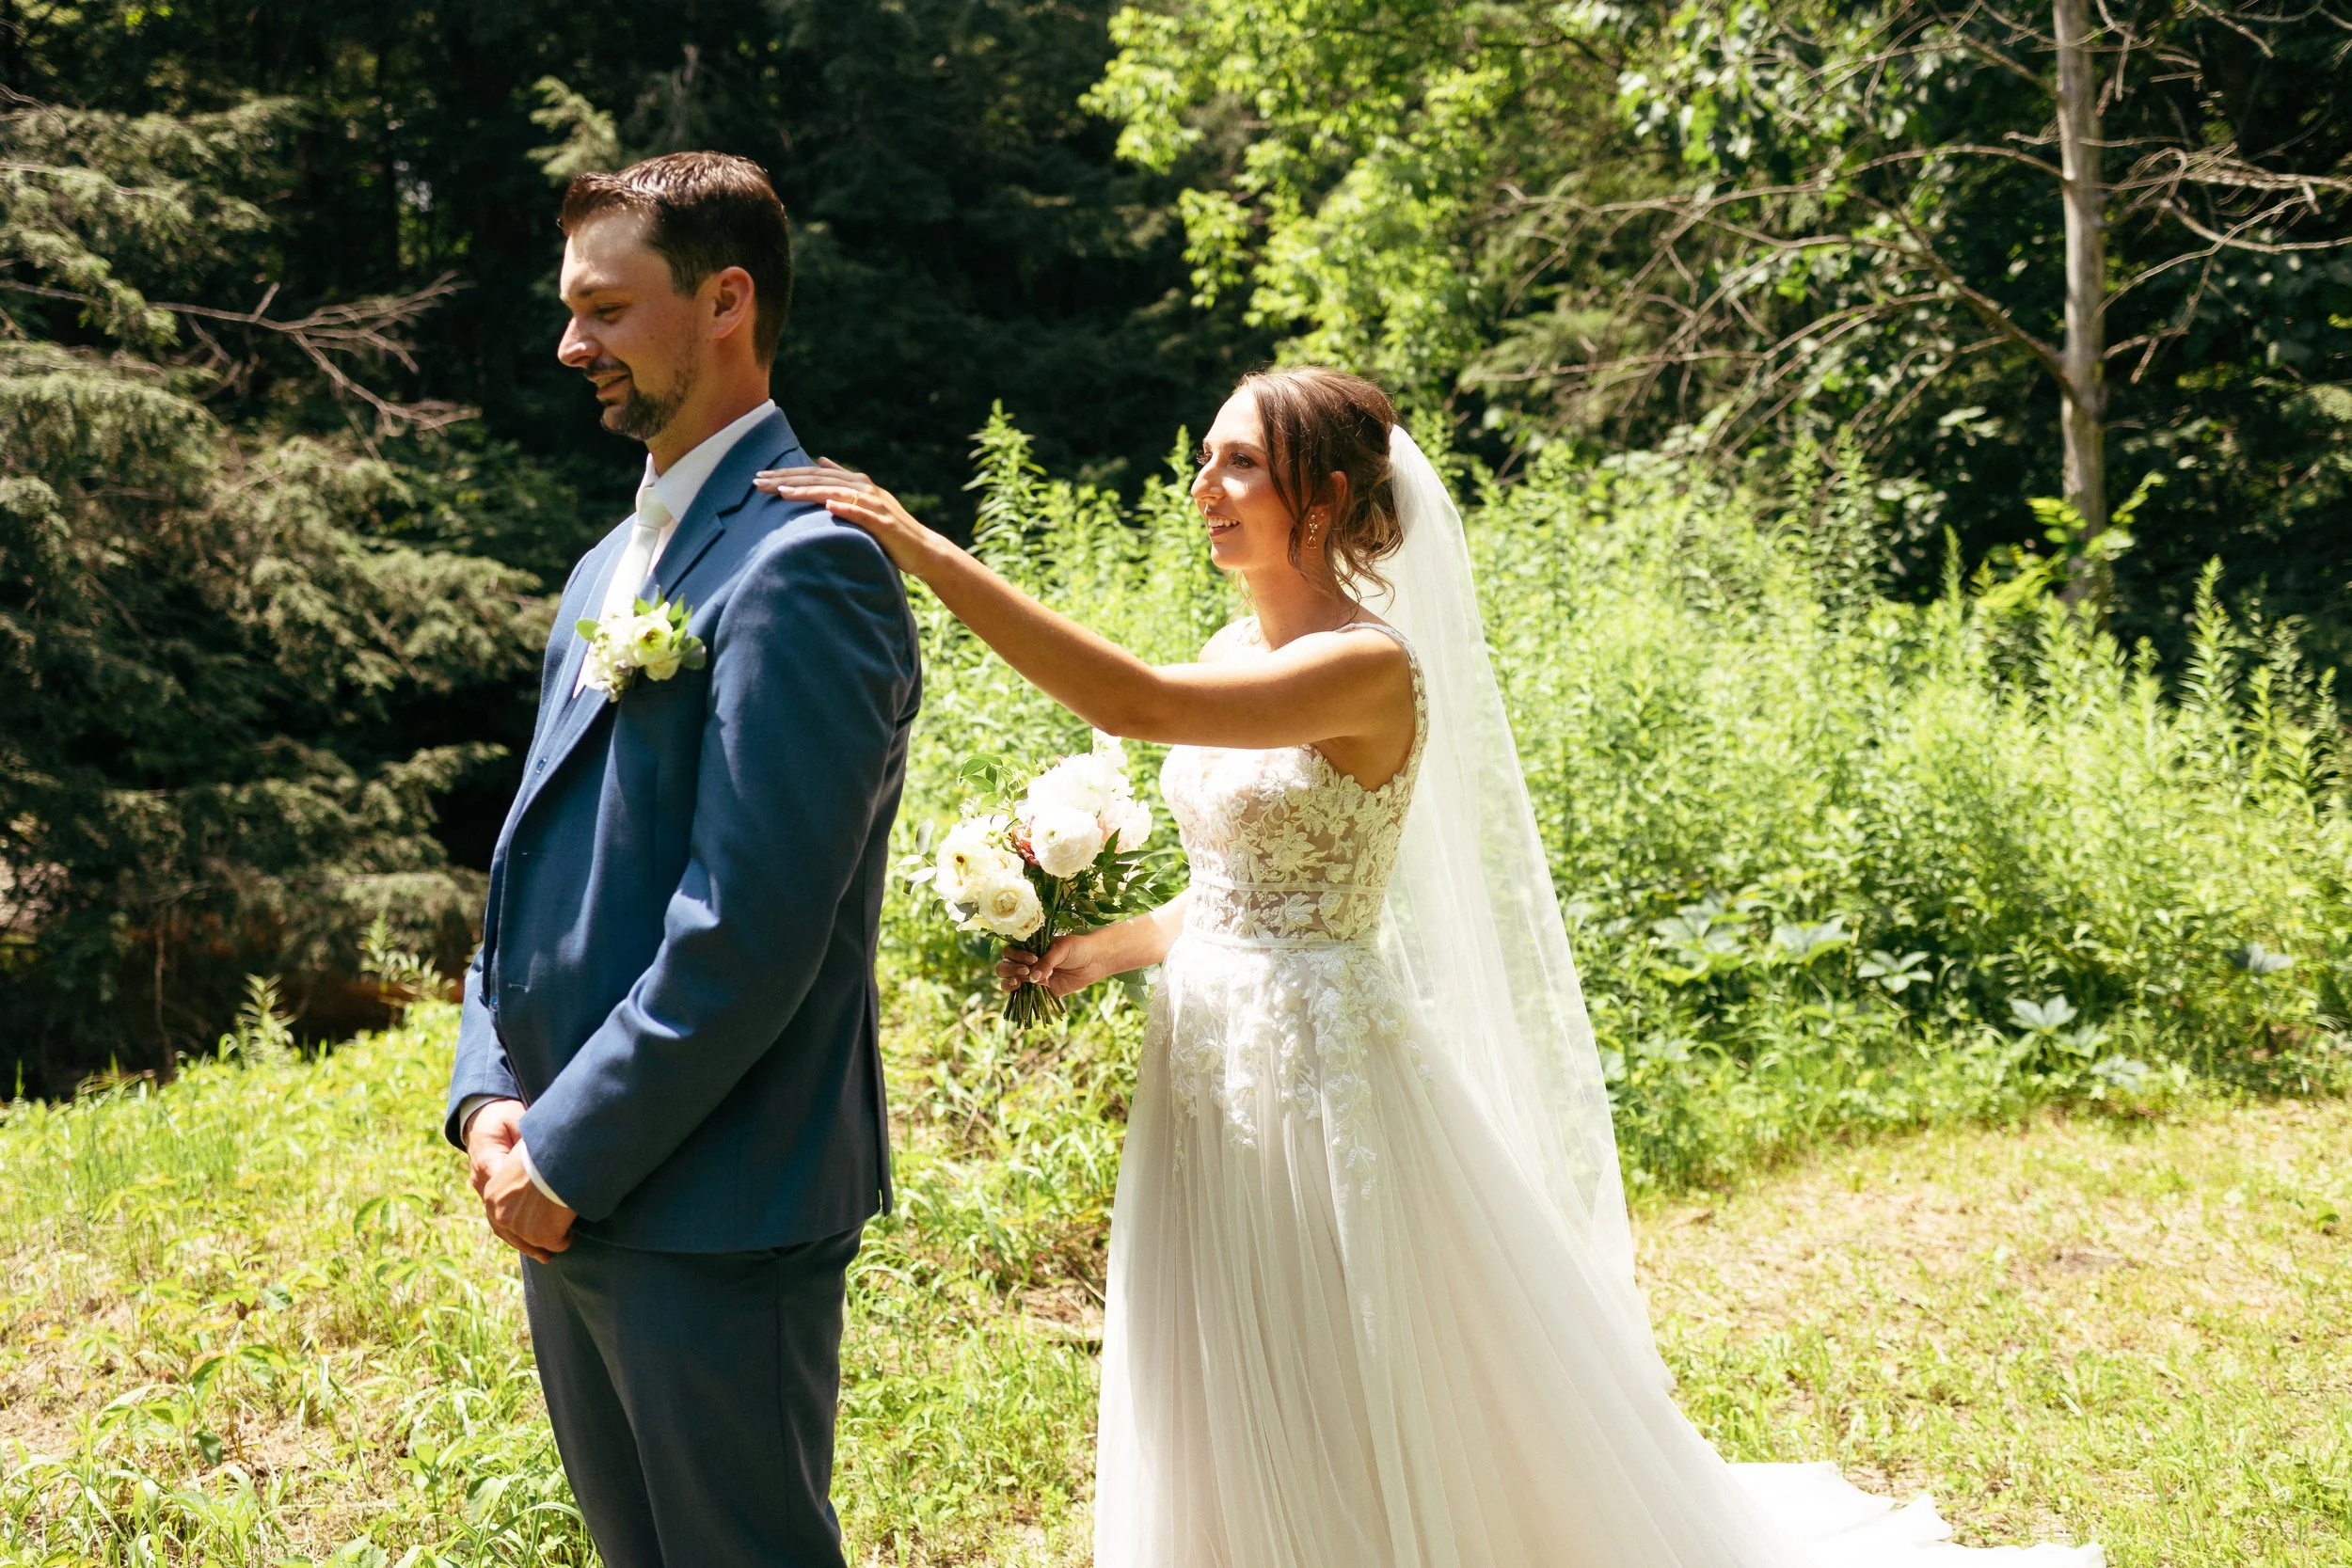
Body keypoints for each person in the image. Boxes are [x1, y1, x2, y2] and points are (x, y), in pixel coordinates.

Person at [759, 366, 2103, 1566]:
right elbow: (1239, 889)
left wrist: (924, 545)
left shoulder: (1366, 666)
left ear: (1329, 495)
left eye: (1241, 463)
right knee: (1222, 1356)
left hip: (1317, 1063)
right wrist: (1102, 946)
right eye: (1206, 458)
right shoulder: (1244, 645)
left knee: (1340, 1352)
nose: (1204, 485)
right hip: (1205, 1041)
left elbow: (1137, 707)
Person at [443, 152, 920, 1568]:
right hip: (567, 1185)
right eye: (570, 309)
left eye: (604, 308)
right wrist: (490, 1098)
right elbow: (527, 861)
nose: (569, 343)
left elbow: (751, 928)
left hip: (716, 1199)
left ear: (725, 300)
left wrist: (571, 1148)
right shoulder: (608, 568)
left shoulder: (805, 564)